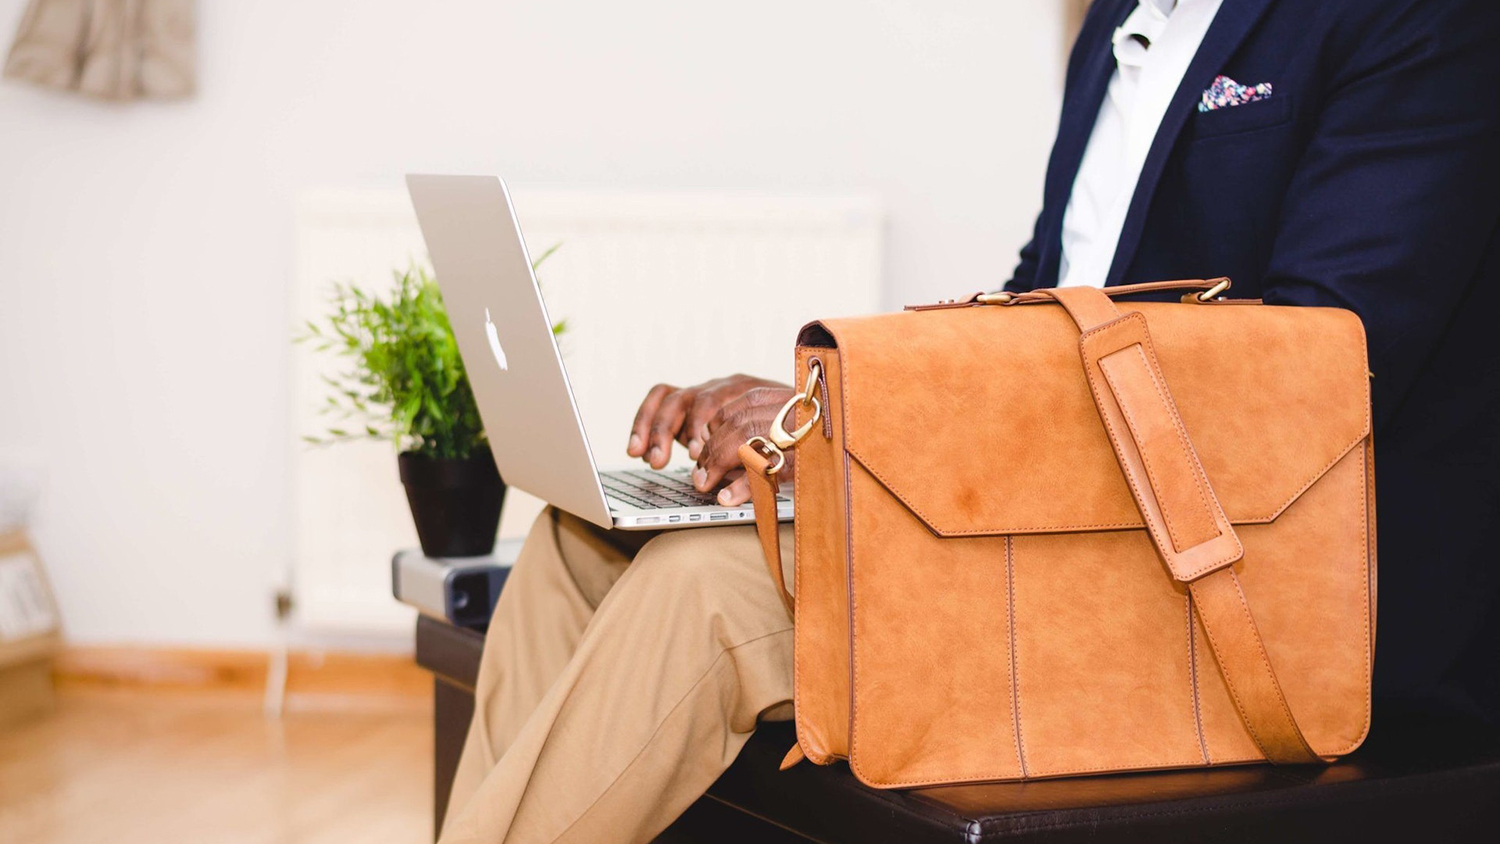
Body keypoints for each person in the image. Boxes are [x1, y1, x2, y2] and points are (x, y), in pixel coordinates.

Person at [439, 1, 1500, 841]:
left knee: (704, 592)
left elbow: (1306, 379)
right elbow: (1041, 300)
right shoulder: (1115, 26)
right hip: (1071, 531)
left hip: (1244, 580)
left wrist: (867, 425)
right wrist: (825, 414)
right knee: (573, 546)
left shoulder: (1419, 18)